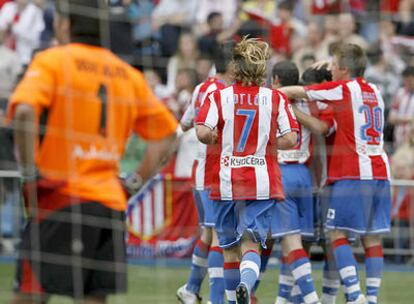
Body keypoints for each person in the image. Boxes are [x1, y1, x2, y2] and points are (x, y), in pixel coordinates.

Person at [7, 1, 178, 303]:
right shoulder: (126, 74)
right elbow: (167, 136)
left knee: (31, 295)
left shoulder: (53, 61)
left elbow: (23, 113)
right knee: (93, 298)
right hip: (107, 204)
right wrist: (134, 182)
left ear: (64, 24)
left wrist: (30, 172)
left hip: (59, 194)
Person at [195, 37, 305, 304]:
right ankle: (247, 284)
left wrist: (214, 138)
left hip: (225, 179)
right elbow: (291, 138)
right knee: (251, 244)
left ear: (235, 67)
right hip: (262, 180)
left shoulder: (218, 96)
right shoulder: (275, 97)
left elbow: (202, 131)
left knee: (229, 249)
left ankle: (233, 298)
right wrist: (266, 144)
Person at [280, 43, 391, 304]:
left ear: (342, 68)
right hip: (380, 171)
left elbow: (301, 91)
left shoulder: (343, 90)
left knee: (336, 234)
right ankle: (371, 297)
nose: (329, 68)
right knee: (371, 237)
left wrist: (275, 94)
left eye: (333, 64)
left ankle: (354, 295)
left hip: (352, 173)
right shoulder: (375, 90)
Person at [270, 61, 335, 304]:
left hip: (281, 173)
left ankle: (309, 299)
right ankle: (285, 299)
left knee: (289, 242)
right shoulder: (311, 103)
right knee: (301, 243)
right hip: (306, 176)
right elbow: (320, 128)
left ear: (275, 79)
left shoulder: (271, 101)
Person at [177, 43, 234, 304]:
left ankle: (190, 288)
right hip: (212, 172)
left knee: (209, 233)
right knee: (219, 236)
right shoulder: (223, 92)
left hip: (201, 170)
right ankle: (217, 299)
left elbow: (186, 124)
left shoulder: (202, 87)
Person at [388, 66, 414, 148]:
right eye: (405, 80)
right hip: (399, 140)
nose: (407, 83)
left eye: (410, 81)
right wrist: (409, 119)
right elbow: (391, 118)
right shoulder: (400, 93)